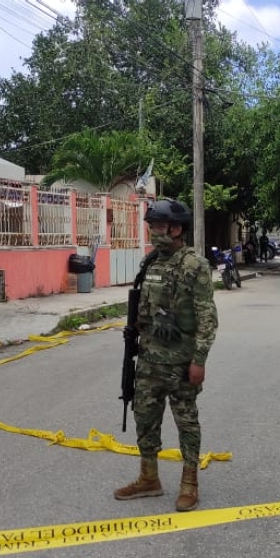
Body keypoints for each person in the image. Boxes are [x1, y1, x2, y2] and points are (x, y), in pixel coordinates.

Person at [114, 199, 218, 512]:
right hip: (149, 361)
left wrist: (199, 360)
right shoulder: (151, 263)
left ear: (175, 229)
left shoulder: (194, 265)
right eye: (151, 227)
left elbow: (207, 318)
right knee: (144, 418)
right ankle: (149, 478)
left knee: (186, 422)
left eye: (157, 227)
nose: (152, 232)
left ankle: (190, 483)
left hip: (181, 363)